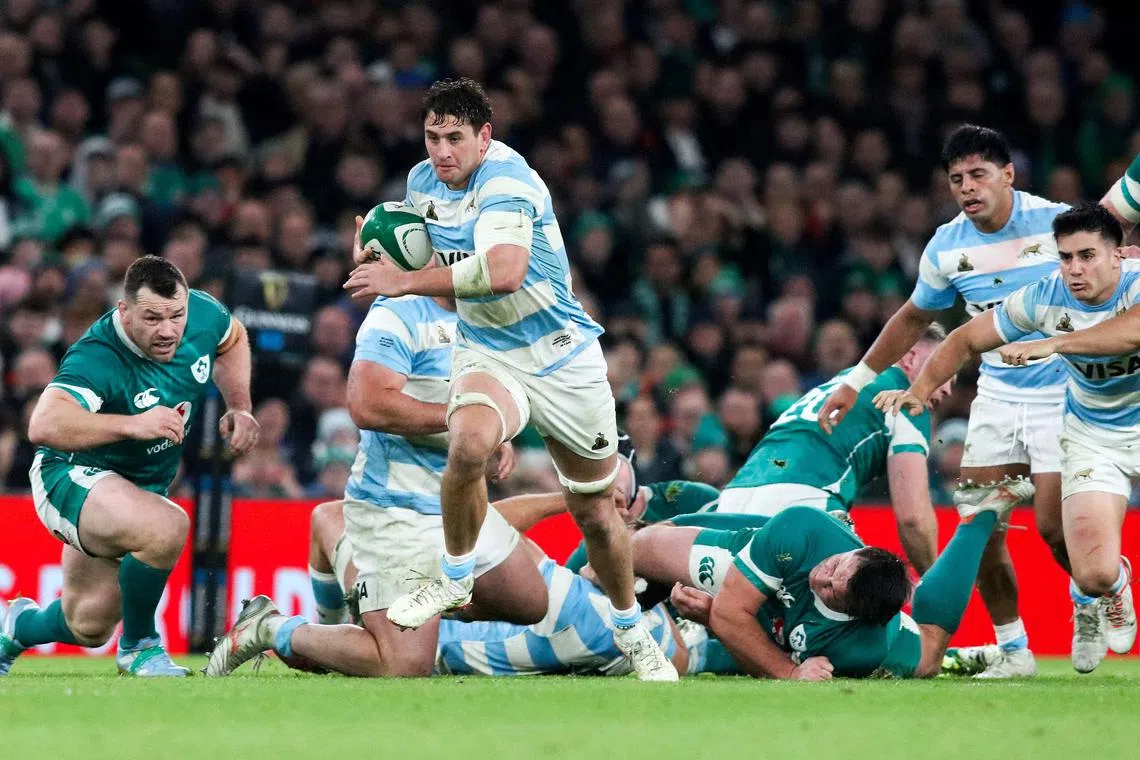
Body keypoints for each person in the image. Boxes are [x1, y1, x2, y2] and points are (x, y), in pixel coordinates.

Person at [342, 78, 675, 679]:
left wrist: (403, 282)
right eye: (431, 137)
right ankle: (454, 574)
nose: (441, 151)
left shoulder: (508, 181)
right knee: (468, 443)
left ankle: (631, 629)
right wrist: (376, 249)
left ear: (484, 137)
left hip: (561, 357)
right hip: (488, 352)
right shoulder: (421, 185)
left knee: (595, 511)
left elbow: (503, 270)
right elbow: (424, 264)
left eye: (454, 138)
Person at [817, 124, 1121, 678]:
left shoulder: (1055, 225)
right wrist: (858, 380)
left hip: (1066, 389)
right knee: (981, 522)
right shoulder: (947, 246)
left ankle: (1089, 601)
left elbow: (1108, 262)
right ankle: (1014, 650)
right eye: (956, 178)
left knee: (1053, 528)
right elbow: (915, 317)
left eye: (978, 174)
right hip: (999, 395)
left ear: (1008, 175)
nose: (967, 187)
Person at [207, 288, 549, 678]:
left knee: (529, 602)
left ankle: (404, 599)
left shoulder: (490, 319)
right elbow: (368, 405)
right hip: (399, 510)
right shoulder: (399, 315)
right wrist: (466, 422)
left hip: (461, 507)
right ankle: (270, 627)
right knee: (404, 666)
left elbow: (483, 398)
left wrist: (495, 433)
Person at [875, 203, 1139, 674]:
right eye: (1065, 257)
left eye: (1087, 256)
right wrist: (919, 390)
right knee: (1092, 573)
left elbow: (1131, 332)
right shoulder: (1043, 297)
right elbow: (964, 340)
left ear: (1118, 255)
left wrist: (1055, 343)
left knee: (1055, 530)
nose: (1075, 269)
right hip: (1095, 435)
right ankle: (1114, 586)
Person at [0, 256, 259, 676]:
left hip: (134, 487)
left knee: (86, 624)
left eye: (176, 315)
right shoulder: (99, 355)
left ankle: (17, 626)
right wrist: (133, 425)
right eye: (152, 318)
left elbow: (231, 339)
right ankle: (139, 648)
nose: (168, 330)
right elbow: (44, 423)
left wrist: (241, 407)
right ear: (125, 311)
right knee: (167, 526)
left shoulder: (204, 313)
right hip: (68, 474)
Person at [217, 497, 688, 679]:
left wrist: (568, 501)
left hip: (420, 635)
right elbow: (685, 651)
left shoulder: (581, 606)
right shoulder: (652, 638)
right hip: (430, 631)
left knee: (331, 518)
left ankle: (275, 628)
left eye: (623, 543)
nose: (605, 543)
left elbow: (487, 523)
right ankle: (321, 635)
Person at [625, 478, 1032, 679]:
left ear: (855, 614)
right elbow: (736, 618)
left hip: (778, 610)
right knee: (638, 549)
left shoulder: (862, 649)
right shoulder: (809, 532)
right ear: (858, 550)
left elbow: (757, 648)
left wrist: (719, 619)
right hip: (766, 557)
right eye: (837, 567)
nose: (823, 578)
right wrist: (786, 670)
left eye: (834, 591)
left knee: (929, 655)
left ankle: (978, 520)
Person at [716, 324, 953, 576]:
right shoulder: (904, 397)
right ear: (911, 358)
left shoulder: (843, 382)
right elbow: (913, 517)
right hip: (801, 504)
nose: (948, 389)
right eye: (947, 371)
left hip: (733, 500)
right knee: (861, 600)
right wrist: (935, 585)